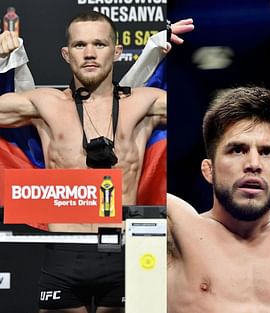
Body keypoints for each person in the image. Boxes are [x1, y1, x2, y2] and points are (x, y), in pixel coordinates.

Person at [0, 12, 192, 313]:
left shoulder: (146, 103)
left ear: (117, 52)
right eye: (80, 45)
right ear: (66, 54)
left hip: (127, 251)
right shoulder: (43, 105)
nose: (89, 53)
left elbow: (211, 111)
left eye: (99, 44)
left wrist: (189, 54)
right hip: (63, 252)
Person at [167, 86, 270, 312]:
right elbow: (120, 183)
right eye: (237, 150)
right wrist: (154, 57)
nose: (254, 164)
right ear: (209, 169)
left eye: (267, 152)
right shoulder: (177, 228)